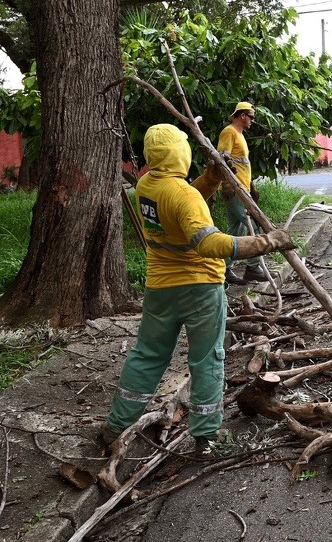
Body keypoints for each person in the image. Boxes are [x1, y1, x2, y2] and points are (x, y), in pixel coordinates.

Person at [102, 124, 294, 451]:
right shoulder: (184, 195)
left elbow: (179, 205)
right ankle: (205, 434)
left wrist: (212, 178)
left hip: (160, 288)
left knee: (147, 355)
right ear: (181, 153)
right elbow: (208, 243)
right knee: (207, 359)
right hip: (200, 288)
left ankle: (116, 425)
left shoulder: (147, 185)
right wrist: (266, 241)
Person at [217, 101, 267, 285]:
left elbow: (242, 164)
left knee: (235, 230)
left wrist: (251, 187)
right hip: (235, 190)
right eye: (251, 116)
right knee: (254, 222)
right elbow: (222, 158)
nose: (253, 121)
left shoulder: (240, 135)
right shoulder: (229, 132)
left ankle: (225, 269)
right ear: (242, 115)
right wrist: (228, 183)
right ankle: (253, 267)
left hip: (242, 189)